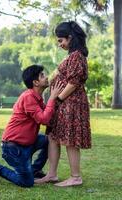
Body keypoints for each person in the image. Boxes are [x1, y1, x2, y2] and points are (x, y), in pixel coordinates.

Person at [0, 64, 63, 187]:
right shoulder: (28, 97)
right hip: (14, 147)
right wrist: (52, 98)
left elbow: (48, 117)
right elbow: (43, 119)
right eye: (42, 75)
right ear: (35, 82)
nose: (46, 77)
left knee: (49, 140)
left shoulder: (37, 97)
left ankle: (34, 170)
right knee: (26, 183)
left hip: (27, 143)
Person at [35, 21, 91, 187]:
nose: (59, 44)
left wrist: (58, 98)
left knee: (70, 139)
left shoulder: (77, 56)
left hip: (71, 104)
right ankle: (52, 174)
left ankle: (75, 177)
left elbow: (74, 82)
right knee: (53, 137)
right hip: (62, 104)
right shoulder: (72, 56)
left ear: (70, 38)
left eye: (61, 40)